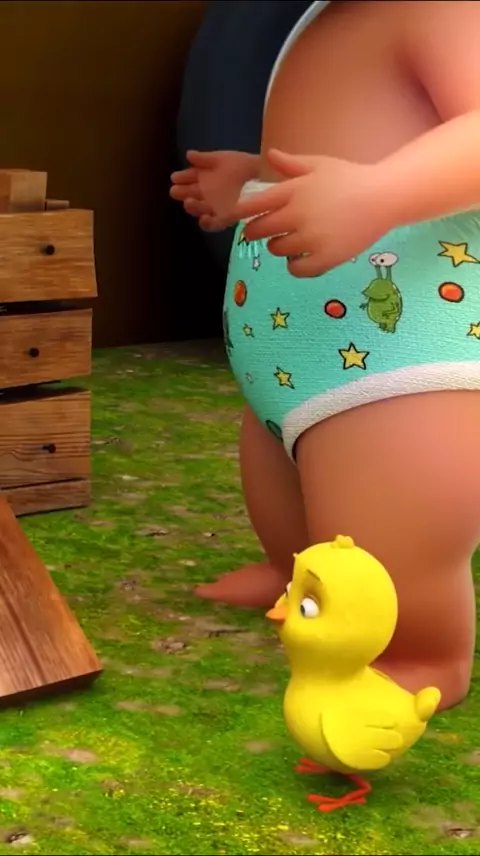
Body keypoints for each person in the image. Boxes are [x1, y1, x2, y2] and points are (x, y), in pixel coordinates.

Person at [170, 0, 480, 710]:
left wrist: (380, 192)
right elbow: (344, 139)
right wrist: (252, 179)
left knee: (394, 519)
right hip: (289, 349)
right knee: (288, 488)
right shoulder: (318, 18)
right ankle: (296, 574)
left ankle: (418, 654)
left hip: (397, 351)